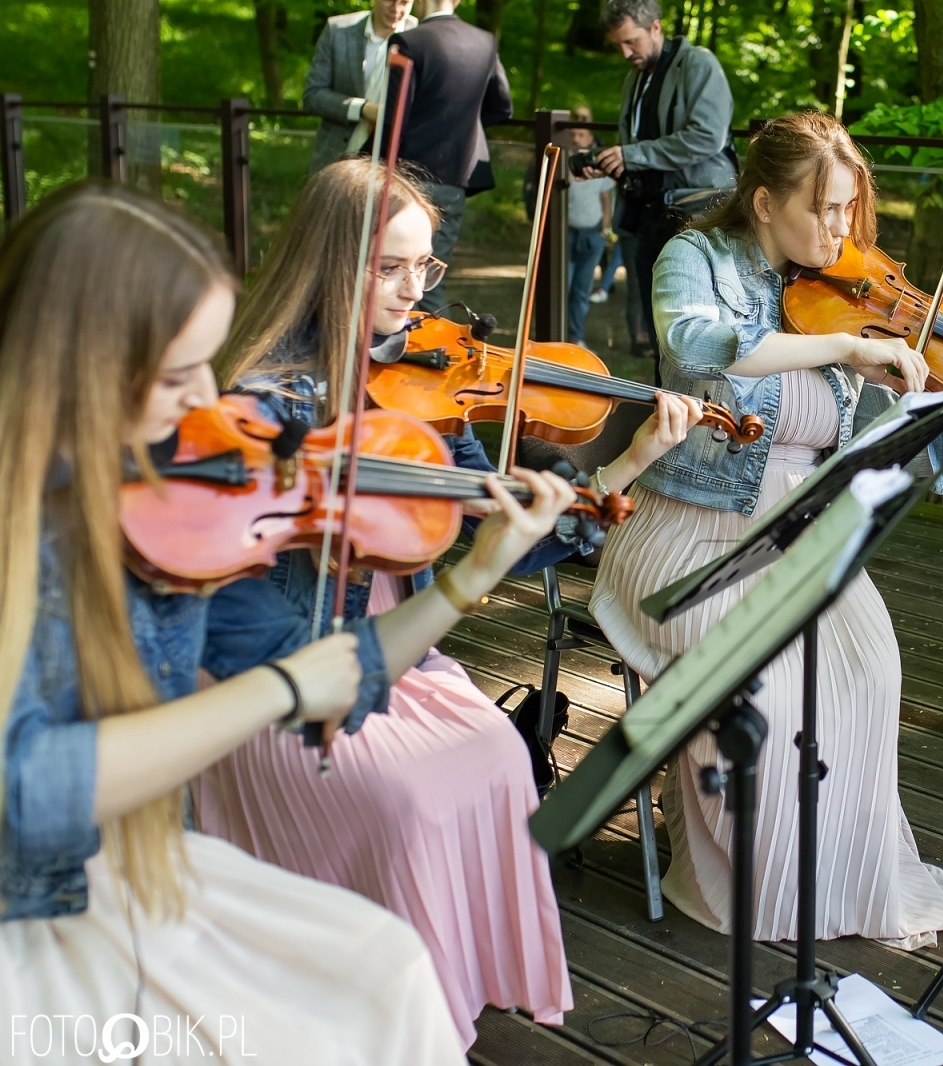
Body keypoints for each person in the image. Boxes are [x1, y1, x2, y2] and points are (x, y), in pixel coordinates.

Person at [0, 181, 550, 1062]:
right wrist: (280, 687)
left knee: (386, 968)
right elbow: (23, 793)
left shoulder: (167, 511)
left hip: (144, 865)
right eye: (178, 376)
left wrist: (466, 581)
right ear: (81, 364)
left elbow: (325, 675)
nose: (205, 404)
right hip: (37, 917)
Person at [199, 158, 696, 1049]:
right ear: (329, 263)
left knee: (500, 761)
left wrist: (622, 470)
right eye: (388, 268)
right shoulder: (267, 400)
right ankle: (377, 1008)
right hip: (297, 674)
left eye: (424, 268)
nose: (412, 292)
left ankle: (437, 994)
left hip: (407, 657)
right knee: (413, 800)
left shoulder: (426, 385)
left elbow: (493, 534)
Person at [589, 111, 943, 947]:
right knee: (764, 685)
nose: (843, 230)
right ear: (766, 201)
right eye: (825, 209)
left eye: (851, 210)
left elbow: (910, 448)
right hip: (690, 530)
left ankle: (833, 879)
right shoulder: (695, 260)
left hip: (802, 534)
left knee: (870, 672)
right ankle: (756, 884)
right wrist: (843, 348)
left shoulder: (841, 297)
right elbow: (699, 348)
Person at [588, 0, 737, 366]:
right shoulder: (634, 77)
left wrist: (633, 155)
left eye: (631, 41)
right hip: (649, 215)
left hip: (698, 213)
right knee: (659, 333)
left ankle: (701, 416)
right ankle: (666, 411)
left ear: (655, 27)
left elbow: (707, 137)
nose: (626, 52)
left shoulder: (699, 64)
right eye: (618, 45)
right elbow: (638, 148)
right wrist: (613, 163)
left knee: (695, 330)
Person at [381, 0, 513, 314]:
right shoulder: (485, 41)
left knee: (397, 273)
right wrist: (460, 126)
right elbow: (503, 108)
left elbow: (394, 119)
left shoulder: (408, 42)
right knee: (430, 277)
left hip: (406, 178)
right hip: (454, 176)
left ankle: (424, 354)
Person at [303, 0, 418, 173]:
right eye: (389, 0)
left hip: (395, 170)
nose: (395, 8)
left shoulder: (423, 37)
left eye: (404, 2)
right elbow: (312, 95)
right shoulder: (338, 30)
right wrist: (363, 109)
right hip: (336, 163)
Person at [549, 105, 615, 347]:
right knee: (560, 286)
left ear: (590, 136)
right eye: (573, 134)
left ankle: (575, 337)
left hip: (592, 234)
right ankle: (555, 337)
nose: (576, 139)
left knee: (580, 290)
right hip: (564, 232)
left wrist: (605, 228)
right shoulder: (561, 160)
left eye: (581, 134)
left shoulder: (600, 162)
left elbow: (606, 198)